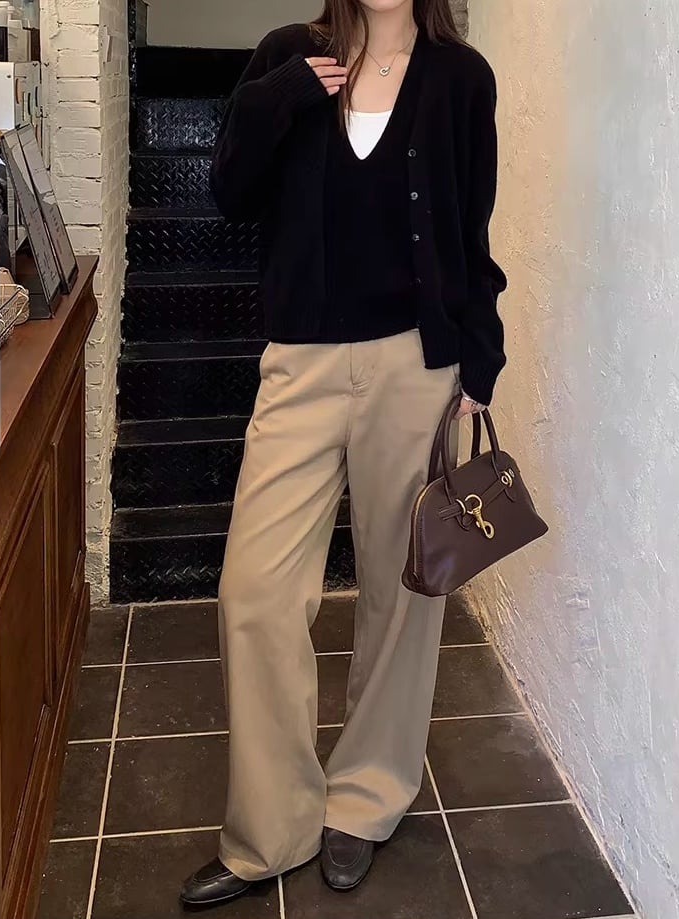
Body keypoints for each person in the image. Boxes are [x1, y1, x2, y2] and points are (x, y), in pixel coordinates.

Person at [180, 0, 507, 908]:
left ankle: (364, 800)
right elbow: (230, 193)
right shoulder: (289, 55)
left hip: (414, 364)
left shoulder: (460, 78)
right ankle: (272, 826)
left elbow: (469, 230)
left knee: (402, 591)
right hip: (301, 362)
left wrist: (480, 359)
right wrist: (276, 97)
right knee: (253, 591)